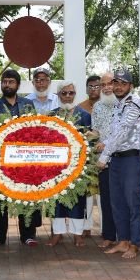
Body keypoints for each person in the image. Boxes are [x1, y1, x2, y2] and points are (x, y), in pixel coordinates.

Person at [0, 69, 38, 247]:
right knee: (0, 202)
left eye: (10, 82)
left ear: (17, 85)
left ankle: (28, 235)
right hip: (0, 162)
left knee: (26, 198)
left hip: (24, 162)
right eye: (4, 82)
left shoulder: (28, 105)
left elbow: (34, 131)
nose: (7, 85)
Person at [98, 68, 140, 259]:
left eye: (122, 83)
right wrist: (107, 152)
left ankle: (135, 243)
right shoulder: (118, 105)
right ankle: (123, 241)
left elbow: (122, 132)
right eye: (115, 83)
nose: (118, 87)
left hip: (131, 159)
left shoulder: (134, 103)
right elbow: (112, 133)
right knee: (117, 203)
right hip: (116, 160)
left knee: (132, 202)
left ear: (131, 86)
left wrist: (103, 156)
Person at [47, 81, 91, 247]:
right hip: (56, 167)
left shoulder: (84, 115)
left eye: (70, 93)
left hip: (78, 166)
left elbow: (90, 142)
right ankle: (57, 233)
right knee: (56, 200)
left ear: (75, 94)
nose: (67, 97)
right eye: (63, 93)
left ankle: (77, 234)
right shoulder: (51, 116)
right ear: (58, 96)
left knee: (77, 200)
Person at [92, 72, 118, 249]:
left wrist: (106, 143)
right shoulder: (98, 107)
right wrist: (92, 138)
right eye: (103, 84)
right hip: (103, 161)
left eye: (110, 83)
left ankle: (126, 236)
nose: (107, 87)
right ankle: (109, 235)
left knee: (123, 199)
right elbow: (96, 132)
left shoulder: (127, 104)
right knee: (106, 199)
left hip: (123, 157)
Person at [78, 75, 102, 238]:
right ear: (86, 89)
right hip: (86, 158)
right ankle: (85, 226)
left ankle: (105, 227)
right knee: (86, 194)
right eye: (90, 86)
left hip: (103, 156)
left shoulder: (109, 105)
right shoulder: (81, 108)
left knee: (101, 195)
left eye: (96, 86)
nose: (94, 89)